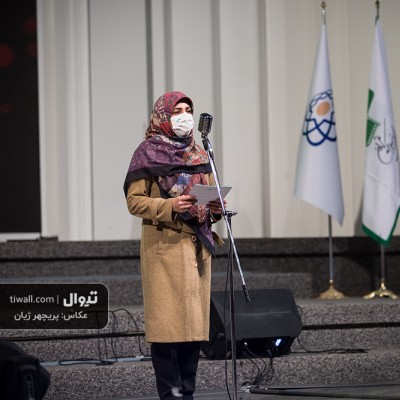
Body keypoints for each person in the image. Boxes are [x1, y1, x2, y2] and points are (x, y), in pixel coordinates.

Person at [123, 91, 225, 399]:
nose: (184, 116)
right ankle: (171, 396)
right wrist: (169, 207)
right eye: (177, 110)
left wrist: (216, 206)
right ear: (163, 116)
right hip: (165, 250)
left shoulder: (198, 152)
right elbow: (134, 201)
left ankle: (188, 394)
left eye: (187, 110)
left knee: (193, 332)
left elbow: (207, 195)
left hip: (197, 250)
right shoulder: (147, 152)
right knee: (169, 333)